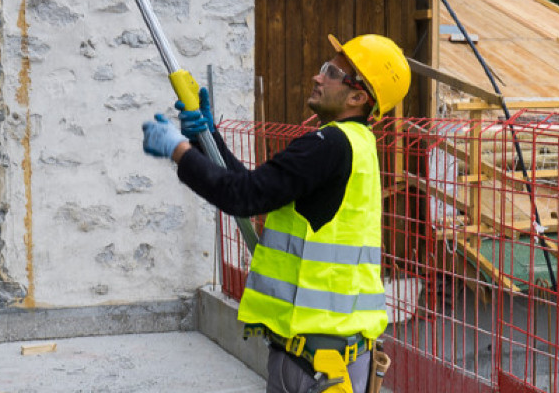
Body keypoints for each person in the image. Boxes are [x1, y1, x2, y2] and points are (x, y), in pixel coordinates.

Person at [142, 33, 410, 393]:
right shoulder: (352, 145)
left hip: (317, 366)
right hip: (326, 358)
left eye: (331, 72)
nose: (318, 77)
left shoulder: (328, 146)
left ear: (357, 96)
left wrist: (179, 151)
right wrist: (209, 138)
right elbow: (256, 188)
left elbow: (243, 196)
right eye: (323, 68)